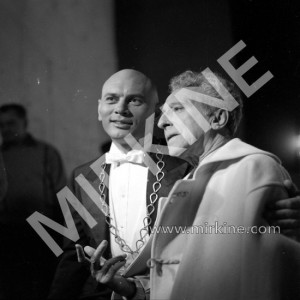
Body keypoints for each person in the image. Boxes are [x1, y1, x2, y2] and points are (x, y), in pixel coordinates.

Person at [77, 70, 300, 300]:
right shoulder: (188, 181)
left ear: (217, 119)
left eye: (178, 109)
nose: (162, 122)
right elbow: (180, 274)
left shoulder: (255, 168)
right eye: (163, 113)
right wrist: (129, 288)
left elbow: (277, 276)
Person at [48, 69, 190, 300]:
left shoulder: (184, 168)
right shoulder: (81, 176)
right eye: (111, 99)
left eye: (134, 100)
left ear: (155, 112)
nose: (120, 109)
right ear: (99, 109)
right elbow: (72, 256)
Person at [0, 103, 66, 300]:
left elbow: (61, 193)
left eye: (11, 123)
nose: (6, 129)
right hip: (7, 232)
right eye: (1, 125)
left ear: (25, 123)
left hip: (43, 230)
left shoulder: (46, 153)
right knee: (13, 287)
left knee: (45, 285)